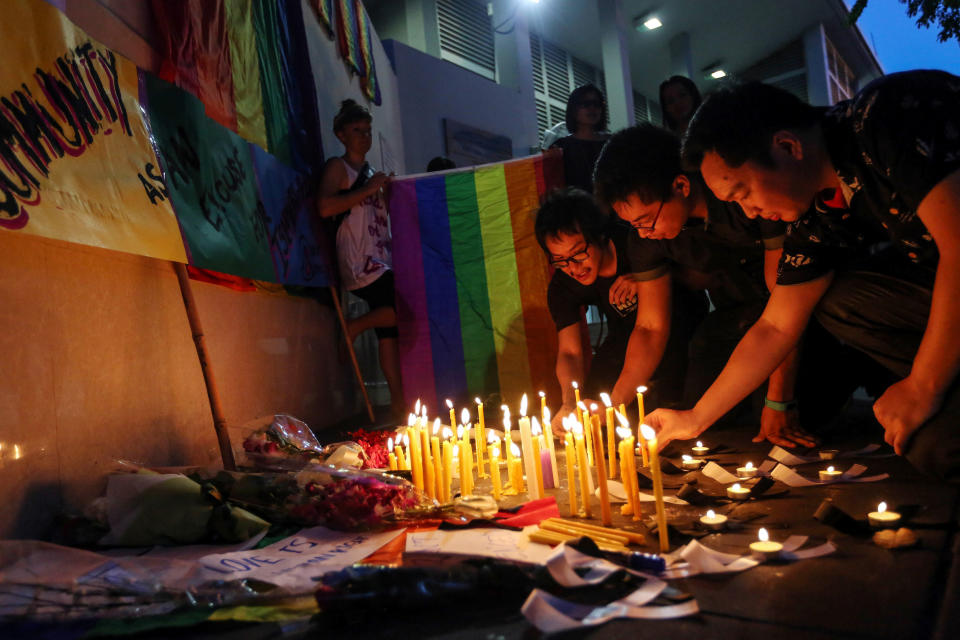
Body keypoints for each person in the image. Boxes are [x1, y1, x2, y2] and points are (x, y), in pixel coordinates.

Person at [647, 71, 960, 481]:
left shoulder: (886, 117)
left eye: (742, 194)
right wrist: (694, 418)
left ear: (787, 146)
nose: (748, 213)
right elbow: (775, 326)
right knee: (930, 448)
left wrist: (921, 386)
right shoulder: (819, 217)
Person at [593, 123, 826, 447]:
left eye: (646, 221)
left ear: (681, 185)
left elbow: (780, 313)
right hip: (735, 314)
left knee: (801, 412)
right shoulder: (646, 238)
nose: (643, 233)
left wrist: (779, 399)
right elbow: (649, 327)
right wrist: (615, 404)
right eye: (633, 225)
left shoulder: (743, 194)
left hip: (798, 304)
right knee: (703, 407)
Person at [535, 188, 704, 434]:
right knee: (592, 407)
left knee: (662, 411)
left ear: (600, 236)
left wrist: (648, 279)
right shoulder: (562, 287)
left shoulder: (636, 243)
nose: (573, 267)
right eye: (560, 260)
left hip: (681, 327)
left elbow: (653, 326)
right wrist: (570, 402)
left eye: (578, 254)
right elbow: (570, 352)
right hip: (624, 337)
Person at [317, 99, 403, 416]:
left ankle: (398, 401)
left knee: (391, 333)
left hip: (382, 260)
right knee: (401, 311)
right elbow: (326, 207)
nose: (364, 137)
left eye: (368, 132)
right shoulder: (339, 168)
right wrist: (369, 190)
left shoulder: (371, 174)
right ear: (341, 135)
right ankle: (355, 327)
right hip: (360, 263)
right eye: (357, 131)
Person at [549, 84, 610, 192]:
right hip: (576, 206)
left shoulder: (613, 143)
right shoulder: (560, 148)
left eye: (597, 104)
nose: (592, 108)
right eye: (586, 104)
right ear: (573, 109)